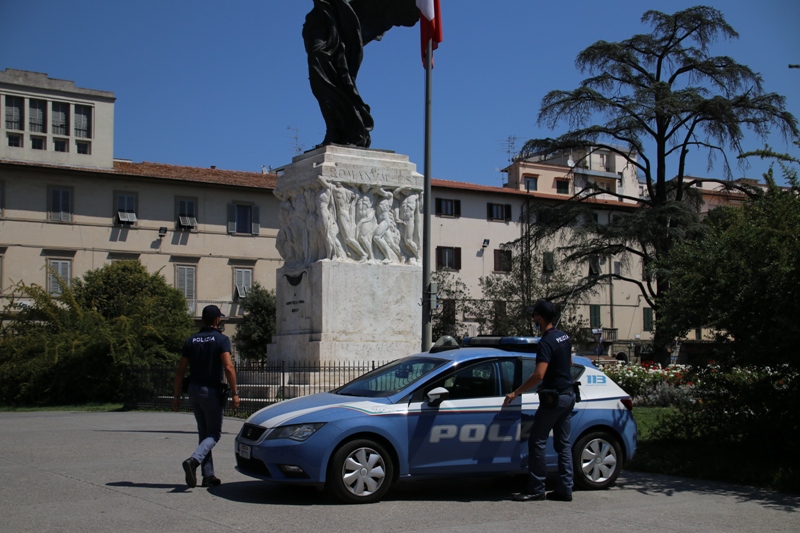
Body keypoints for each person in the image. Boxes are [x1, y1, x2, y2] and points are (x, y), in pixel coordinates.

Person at [503, 300, 575, 502]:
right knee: (564, 444)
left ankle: (536, 488)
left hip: (554, 399)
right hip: (569, 395)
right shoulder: (564, 336)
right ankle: (565, 489)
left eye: (534, 316)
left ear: (541, 318)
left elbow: (539, 375)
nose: (533, 319)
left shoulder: (545, 342)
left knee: (537, 441)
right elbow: (569, 363)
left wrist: (516, 392)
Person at [172, 305, 240, 488]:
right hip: (211, 391)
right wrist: (235, 393)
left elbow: (180, 371)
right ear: (217, 320)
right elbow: (228, 367)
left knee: (204, 433)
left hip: (193, 390)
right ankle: (194, 461)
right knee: (214, 434)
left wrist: (176, 396)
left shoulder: (191, 341)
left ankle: (208, 475)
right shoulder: (221, 340)